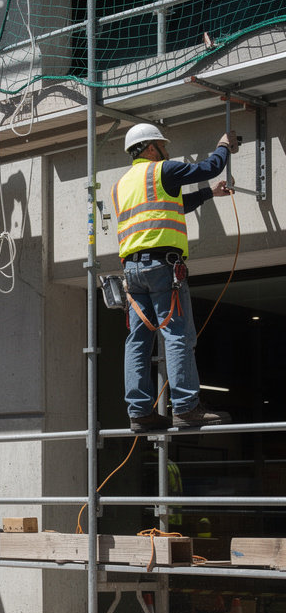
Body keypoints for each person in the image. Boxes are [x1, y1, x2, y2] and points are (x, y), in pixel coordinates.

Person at [114, 123, 238, 431]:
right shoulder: (161, 171)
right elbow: (210, 167)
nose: (167, 151)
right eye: (163, 146)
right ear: (151, 148)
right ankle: (185, 406)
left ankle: (139, 412)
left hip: (133, 272)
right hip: (163, 268)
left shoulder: (121, 185)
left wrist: (209, 193)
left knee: (138, 341)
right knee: (177, 335)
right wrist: (223, 145)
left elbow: (173, 206)